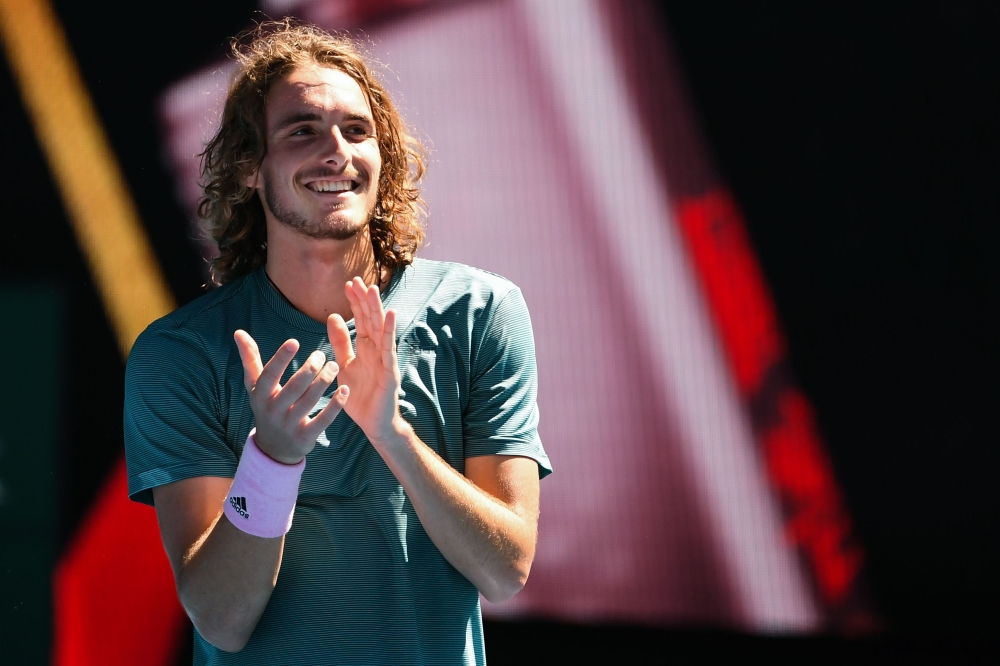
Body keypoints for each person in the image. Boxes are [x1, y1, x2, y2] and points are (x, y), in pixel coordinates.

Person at [123, 20, 551, 665]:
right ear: (248, 167)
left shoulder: (480, 311)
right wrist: (271, 460)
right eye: (303, 131)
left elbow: (505, 570)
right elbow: (221, 618)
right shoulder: (178, 352)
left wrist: (394, 436)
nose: (337, 152)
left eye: (357, 130)